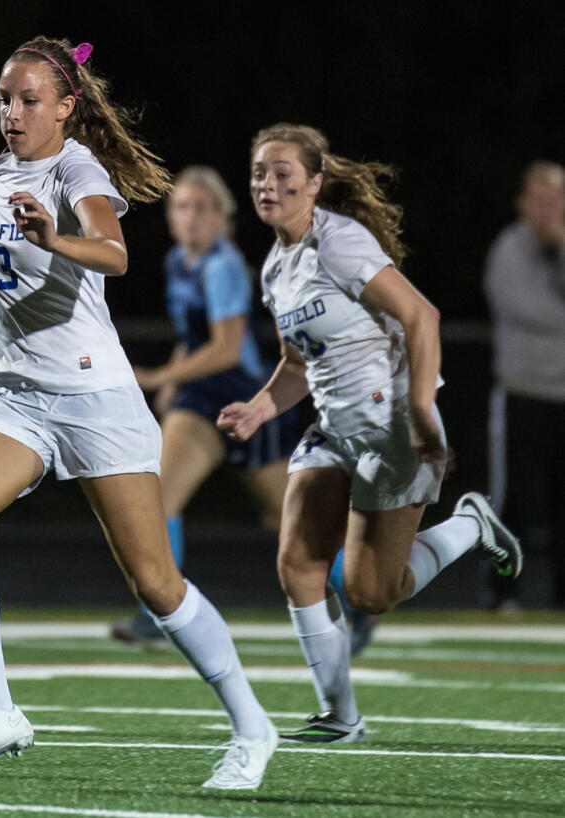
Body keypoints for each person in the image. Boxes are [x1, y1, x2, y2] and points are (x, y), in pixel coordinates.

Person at [0, 37, 279, 790]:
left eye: (30, 99)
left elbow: (115, 252)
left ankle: (251, 727)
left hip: (95, 395)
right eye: (5, 98)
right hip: (16, 394)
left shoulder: (77, 170)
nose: (13, 112)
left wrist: (55, 236)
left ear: (66, 107)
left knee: (156, 583)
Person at [218, 123, 522, 744]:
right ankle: (342, 717)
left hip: (393, 430)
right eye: (259, 174)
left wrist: (417, 409)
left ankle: (471, 525)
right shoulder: (276, 268)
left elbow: (422, 315)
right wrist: (257, 409)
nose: (268, 184)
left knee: (372, 592)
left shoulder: (341, 243)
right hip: (333, 430)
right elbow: (298, 367)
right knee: (299, 565)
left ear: (314, 184)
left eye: (282, 174)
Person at [111, 167, 379, 656]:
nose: (190, 217)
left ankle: (359, 599)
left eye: (201, 207)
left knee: (288, 521)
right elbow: (195, 339)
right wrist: (176, 378)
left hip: (247, 396)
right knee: (159, 496)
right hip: (199, 402)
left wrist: (157, 377)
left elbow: (229, 348)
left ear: (221, 216)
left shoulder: (224, 265)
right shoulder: (178, 261)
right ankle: (160, 612)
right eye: (181, 207)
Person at [483, 161, 565, 611]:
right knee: (511, 499)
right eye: (540, 197)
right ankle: (501, 593)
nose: (548, 207)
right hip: (524, 391)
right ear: (522, 203)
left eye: (557, 198)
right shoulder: (509, 248)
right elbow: (522, 308)